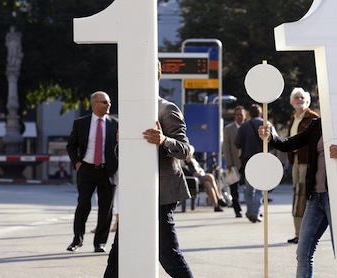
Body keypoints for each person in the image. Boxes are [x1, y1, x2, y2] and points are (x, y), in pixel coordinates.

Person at [258, 119, 337, 278]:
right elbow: (290, 143)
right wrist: (271, 138)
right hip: (314, 198)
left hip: (336, 199)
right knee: (303, 252)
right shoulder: (317, 124)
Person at [104, 62, 194, 278]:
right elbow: (120, 155)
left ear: (156, 77)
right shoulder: (129, 110)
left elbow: (185, 150)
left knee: (168, 256)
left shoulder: (167, 108)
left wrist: (163, 140)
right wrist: (120, 144)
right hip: (135, 191)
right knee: (117, 257)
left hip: (160, 193)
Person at [66, 91, 118, 253]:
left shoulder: (115, 124)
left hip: (107, 171)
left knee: (106, 208)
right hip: (86, 169)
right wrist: (77, 163)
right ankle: (77, 240)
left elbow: (120, 148)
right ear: (94, 104)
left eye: (109, 102)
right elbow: (71, 145)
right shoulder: (80, 123)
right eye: (104, 102)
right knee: (83, 204)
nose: (108, 105)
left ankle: (100, 243)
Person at [286, 88, 320, 244]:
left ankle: (304, 234)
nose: (299, 100)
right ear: (292, 101)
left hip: (307, 161)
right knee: (296, 195)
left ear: (307, 101)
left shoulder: (313, 118)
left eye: (302, 97)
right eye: (296, 98)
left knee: (304, 196)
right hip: (296, 161)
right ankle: (298, 233)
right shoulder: (293, 119)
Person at [235, 104, 274, 223]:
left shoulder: (244, 126)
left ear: (249, 114)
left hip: (248, 160)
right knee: (260, 188)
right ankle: (255, 212)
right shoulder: (267, 125)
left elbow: (237, 143)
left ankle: (250, 211)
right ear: (261, 113)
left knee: (248, 188)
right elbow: (274, 141)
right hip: (263, 160)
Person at [182, 145, 223, 212]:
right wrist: (194, 174)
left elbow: (200, 170)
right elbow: (186, 174)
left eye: (191, 155)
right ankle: (219, 198)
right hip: (192, 182)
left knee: (208, 184)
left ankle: (216, 206)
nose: (190, 157)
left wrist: (199, 173)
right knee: (210, 176)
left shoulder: (193, 161)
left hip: (200, 180)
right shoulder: (183, 164)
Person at [223, 105, 246, 218]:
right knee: (234, 188)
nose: (239, 117)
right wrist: (228, 162)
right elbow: (226, 148)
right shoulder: (228, 129)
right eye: (237, 115)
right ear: (234, 116)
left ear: (245, 116)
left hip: (247, 162)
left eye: (241, 114)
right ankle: (237, 210)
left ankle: (253, 208)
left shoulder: (248, 127)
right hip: (234, 163)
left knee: (251, 187)